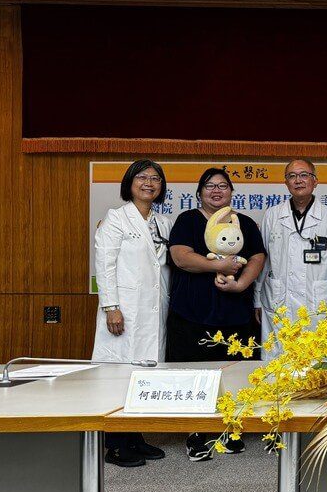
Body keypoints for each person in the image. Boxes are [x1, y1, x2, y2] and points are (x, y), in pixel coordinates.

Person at [167, 168, 266, 461]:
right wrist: (218, 267)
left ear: (231, 193)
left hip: (236, 312)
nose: (217, 190)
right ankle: (195, 433)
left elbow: (258, 256)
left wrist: (241, 283)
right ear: (199, 192)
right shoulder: (187, 220)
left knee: (236, 375)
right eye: (210, 186)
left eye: (223, 186)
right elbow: (180, 257)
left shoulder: (243, 222)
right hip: (192, 314)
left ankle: (232, 429)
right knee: (194, 376)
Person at [93, 159, 171, 468]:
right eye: (142, 177)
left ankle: (135, 437)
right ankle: (114, 444)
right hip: (123, 311)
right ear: (130, 183)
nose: (149, 183)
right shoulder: (116, 219)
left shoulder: (161, 223)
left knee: (143, 376)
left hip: (153, 311)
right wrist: (111, 306)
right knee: (118, 374)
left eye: (155, 178)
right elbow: (105, 265)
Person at [257, 159, 327, 361]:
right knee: (278, 362)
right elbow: (262, 261)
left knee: (317, 362)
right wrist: (256, 300)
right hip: (278, 299)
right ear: (286, 182)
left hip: (317, 302)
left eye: (304, 175)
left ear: (315, 181)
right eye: (292, 176)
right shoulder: (272, 215)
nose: (298, 181)